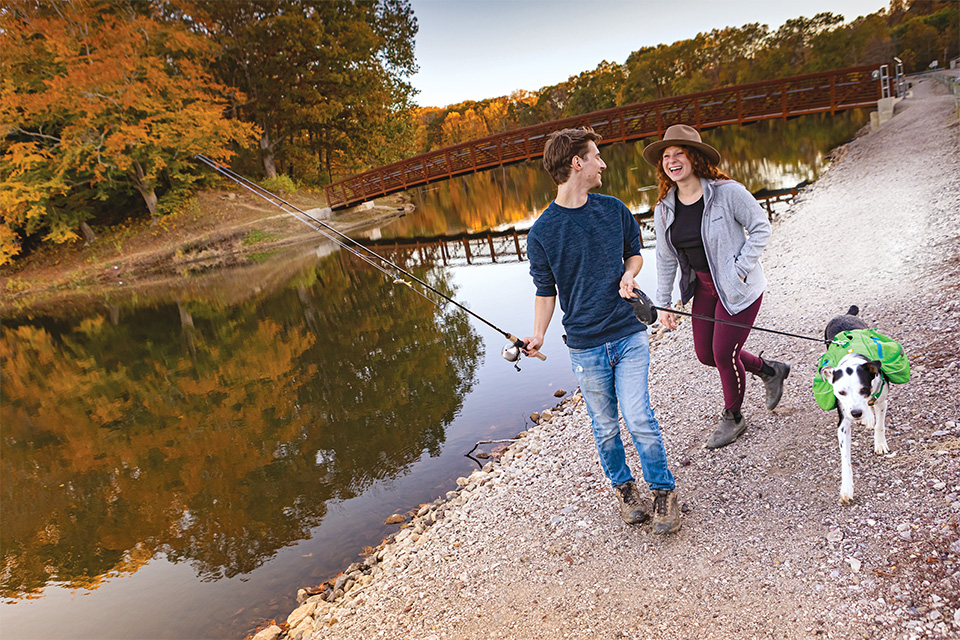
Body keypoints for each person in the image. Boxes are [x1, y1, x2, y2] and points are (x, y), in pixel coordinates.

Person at [522, 127, 680, 534]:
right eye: (596, 156)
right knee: (605, 424)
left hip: (628, 333)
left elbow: (634, 254)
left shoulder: (613, 209)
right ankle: (624, 487)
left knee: (638, 415)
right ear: (577, 163)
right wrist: (538, 334)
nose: (603, 163)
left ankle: (663, 491)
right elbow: (545, 291)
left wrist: (630, 275)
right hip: (585, 346)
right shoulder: (541, 233)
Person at [642, 124, 790, 449]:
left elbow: (761, 227)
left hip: (738, 288)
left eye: (679, 153)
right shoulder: (664, 208)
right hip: (704, 289)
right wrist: (664, 303)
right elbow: (665, 258)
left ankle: (734, 417)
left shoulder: (727, 192)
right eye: (666, 156)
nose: (672, 160)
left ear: (694, 156)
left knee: (724, 353)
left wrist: (740, 268)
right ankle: (770, 370)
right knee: (706, 355)